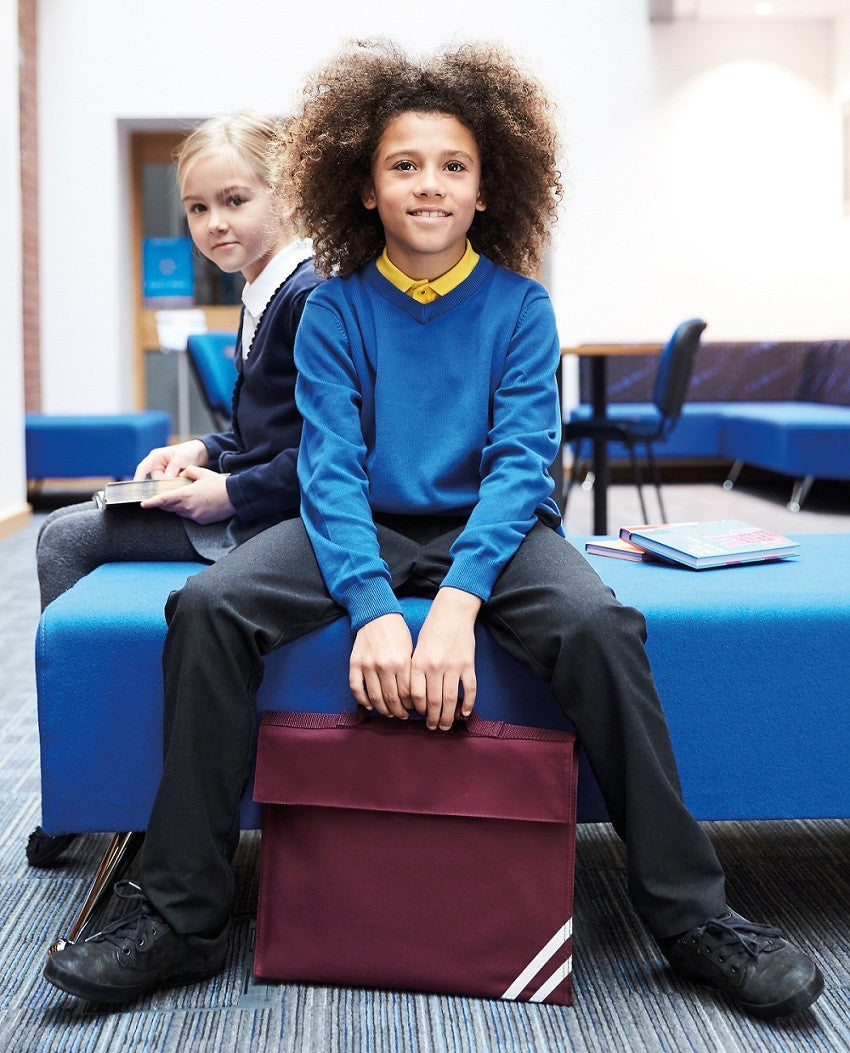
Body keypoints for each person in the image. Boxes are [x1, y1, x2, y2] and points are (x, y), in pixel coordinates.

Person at [43, 40, 823, 1021]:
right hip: (356, 524)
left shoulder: (522, 308)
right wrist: (373, 606)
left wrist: (456, 602)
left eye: (453, 165)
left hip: (492, 529)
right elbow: (328, 471)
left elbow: (520, 469)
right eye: (404, 164)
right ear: (364, 189)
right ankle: (181, 914)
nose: (428, 184)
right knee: (208, 606)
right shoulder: (333, 311)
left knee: (600, 625)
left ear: (487, 188)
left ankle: (692, 917)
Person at [30, 111, 322, 863]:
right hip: (255, 500)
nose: (213, 223)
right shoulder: (264, 290)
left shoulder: (308, 296)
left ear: (286, 193)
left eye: (234, 200)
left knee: (65, 538)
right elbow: (265, 434)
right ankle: (86, 774)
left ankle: (85, 783)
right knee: (87, 519)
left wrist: (226, 492)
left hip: (273, 522)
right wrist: (202, 448)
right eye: (197, 208)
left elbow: (328, 453)